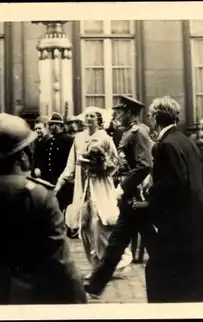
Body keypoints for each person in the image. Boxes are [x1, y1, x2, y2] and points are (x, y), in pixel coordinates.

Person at [0, 113, 87, 305]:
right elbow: (61, 262)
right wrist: (78, 305)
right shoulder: (40, 195)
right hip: (33, 299)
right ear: (22, 154)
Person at [144, 96, 203, 303]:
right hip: (198, 214)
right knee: (199, 270)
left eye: (151, 116)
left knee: (169, 271)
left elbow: (174, 181)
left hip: (179, 218)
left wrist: (151, 192)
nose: (150, 120)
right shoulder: (186, 141)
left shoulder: (165, 144)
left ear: (157, 118)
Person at [83, 96, 156, 299]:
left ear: (130, 113)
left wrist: (123, 187)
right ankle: (96, 285)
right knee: (116, 242)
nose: (116, 115)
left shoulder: (138, 132)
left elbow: (144, 165)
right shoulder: (128, 133)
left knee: (152, 244)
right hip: (130, 198)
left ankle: (178, 279)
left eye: (120, 112)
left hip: (137, 197)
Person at [54, 106, 133, 277]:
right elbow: (71, 164)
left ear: (98, 119)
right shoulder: (78, 138)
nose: (89, 119)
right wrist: (60, 182)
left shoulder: (105, 138)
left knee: (100, 224)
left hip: (100, 186)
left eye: (92, 116)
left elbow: (116, 162)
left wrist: (102, 166)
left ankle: (110, 263)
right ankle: (96, 266)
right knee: (85, 227)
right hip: (82, 188)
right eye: (87, 116)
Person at [48, 112, 75, 211]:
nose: (49, 127)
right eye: (48, 125)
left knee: (66, 207)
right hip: (53, 179)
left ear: (59, 125)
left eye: (51, 125)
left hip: (66, 181)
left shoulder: (68, 140)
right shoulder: (50, 140)